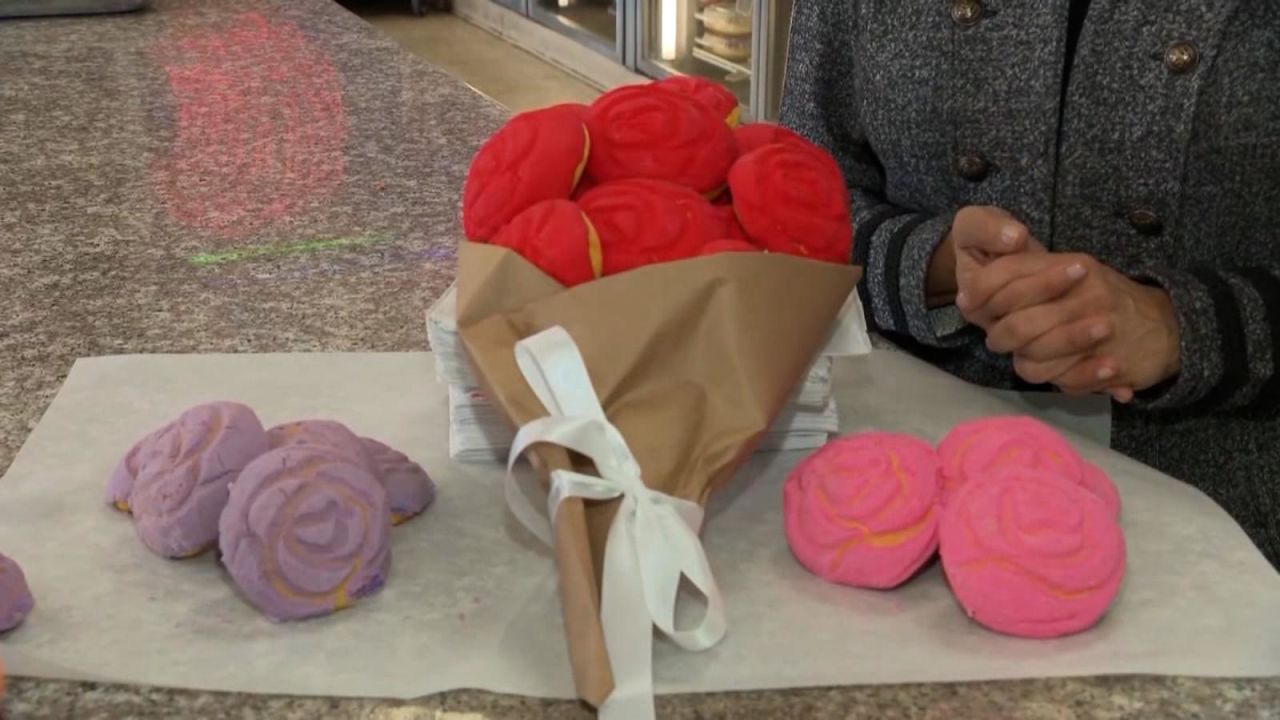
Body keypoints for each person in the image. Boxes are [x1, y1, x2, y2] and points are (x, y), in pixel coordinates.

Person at [780, 0, 1280, 568]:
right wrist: (935, 266)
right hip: (881, 485)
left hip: (1229, 529)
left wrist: (1182, 325)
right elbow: (793, 205)